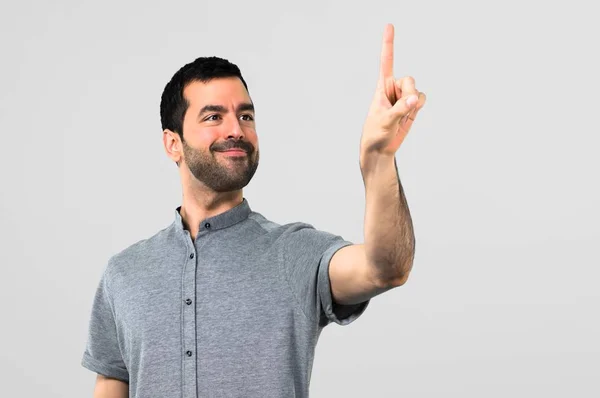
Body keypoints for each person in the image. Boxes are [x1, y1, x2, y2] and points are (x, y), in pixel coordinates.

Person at [81, 23, 426, 398]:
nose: (236, 130)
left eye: (245, 116)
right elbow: (111, 385)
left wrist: (378, 159)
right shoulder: (125, 273)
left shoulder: (294, 253)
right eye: (214, 117)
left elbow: (386, 268)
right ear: (173, 144)